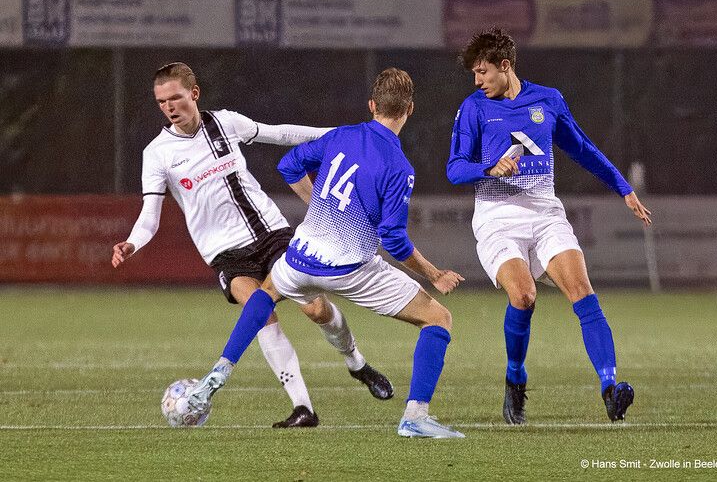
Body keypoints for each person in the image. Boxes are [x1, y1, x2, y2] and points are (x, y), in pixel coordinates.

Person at [187, 68, 466, 438]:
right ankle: (415, 416)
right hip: (349, 268)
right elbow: (395, 241)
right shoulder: (398, 166)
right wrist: (434, 274)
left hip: (300, 258)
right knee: (437, 319)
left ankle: (222, 367)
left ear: (371, 105)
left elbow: (287, 165)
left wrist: (315, 199)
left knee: (265, 294)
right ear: (409, 110)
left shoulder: (342, 135)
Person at [111, 62, 393, 428]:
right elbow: (150, 214)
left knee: (316, 311)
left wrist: (342, 134)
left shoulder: (226, 123)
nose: (169, 107)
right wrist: (133, 243)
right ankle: (303, 408)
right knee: (261, 315)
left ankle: (357, 364)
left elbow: (281, 134)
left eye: (175, 98)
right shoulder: (158, 153)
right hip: (226, 254)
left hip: (272, 234)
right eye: (161, 101)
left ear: (193, 94)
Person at [447, 29, 652, 424]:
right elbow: (454, 168)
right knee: (523, 296)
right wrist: (488, 167)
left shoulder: (548, 99)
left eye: (482, 72)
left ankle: (610, 388)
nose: (477, 81)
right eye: (474, 73)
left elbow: (582, 148)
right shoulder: (473, 108)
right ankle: (515, 376)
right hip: (497, 218)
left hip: (545, 214)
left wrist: (623, 189)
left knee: (581, 290)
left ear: (505, 67)